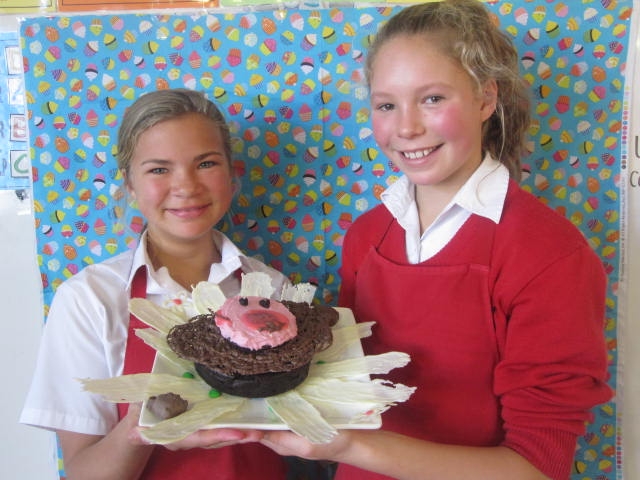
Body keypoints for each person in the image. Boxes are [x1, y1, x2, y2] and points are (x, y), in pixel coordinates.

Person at [256, 1, 613, 479]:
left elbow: (537, 467)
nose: (406, 128)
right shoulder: (365, 237)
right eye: (387, 105)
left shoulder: (548, 254)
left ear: (485, 99)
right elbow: (346, 383)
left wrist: (352, 446)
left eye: (432, 99)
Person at [20, 88, 293, 479]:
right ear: (130, 184)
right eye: (159, 170)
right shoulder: (90, 299)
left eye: (206, 163)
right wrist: (142, 428)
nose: (186, 186)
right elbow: (82, 472)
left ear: (232, 176)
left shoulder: (271, 289)